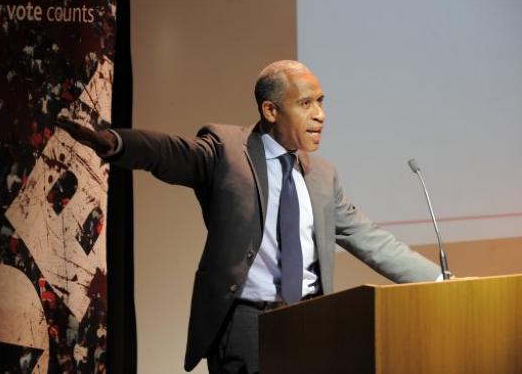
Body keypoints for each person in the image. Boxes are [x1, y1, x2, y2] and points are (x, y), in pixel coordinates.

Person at [57, 60, 440, 373]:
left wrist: (441, 281)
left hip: (313, 318)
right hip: (246, 325)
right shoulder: (227, 151)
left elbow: (369, 238)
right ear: (270, 110)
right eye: (306, 104)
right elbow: (171, 152)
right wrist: (116, 143)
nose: (320, 115)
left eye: (322, 102)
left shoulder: (323, 176)